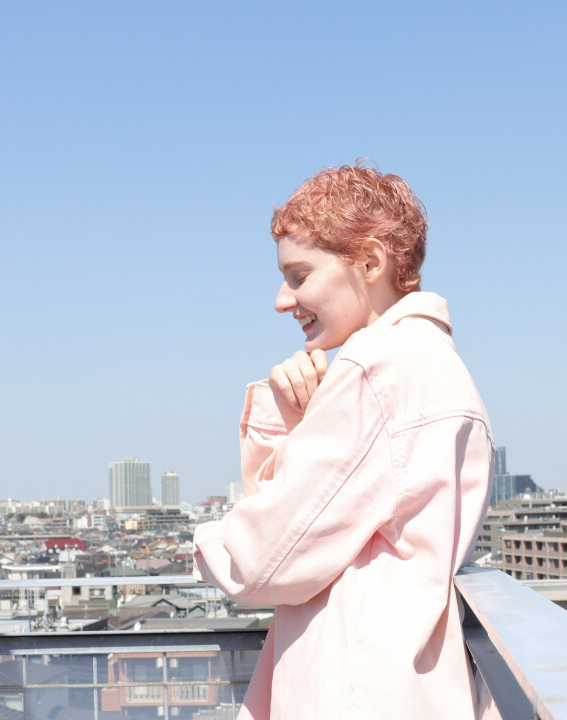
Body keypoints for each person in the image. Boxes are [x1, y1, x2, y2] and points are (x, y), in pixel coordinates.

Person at [192, 161, 495, 719]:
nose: (282, 300)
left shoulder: (374, 367)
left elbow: (263, 559)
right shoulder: (435, 363)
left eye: (299, 275)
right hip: (409, 684)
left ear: (371, 263)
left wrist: (207, 542)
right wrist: (302, 421)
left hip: (353, 691)